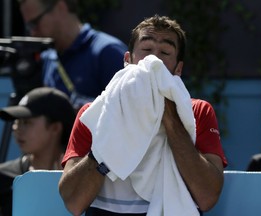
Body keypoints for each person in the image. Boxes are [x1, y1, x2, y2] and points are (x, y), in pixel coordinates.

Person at [58, 15, 228, 216]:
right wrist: (109, 139)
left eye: (165, 52)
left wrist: (170, 118)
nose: (153, 60)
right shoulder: (93, 114)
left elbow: (207, 197)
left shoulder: (197, 112)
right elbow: (73, 203)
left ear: (178, 69)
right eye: (146, 50)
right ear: (128, 60)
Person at [18, 0, 128, 110]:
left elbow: (129, 114)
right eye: (29, 26)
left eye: (35, 23)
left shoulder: (108, 51)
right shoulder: (48, 57)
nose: (33, 32)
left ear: (61, 7)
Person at [0, 87, 76, 216]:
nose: (17, 128)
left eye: (26, 122)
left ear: (55, 128)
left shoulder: (81, 180)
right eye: (16, 122)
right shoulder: (3, 178)